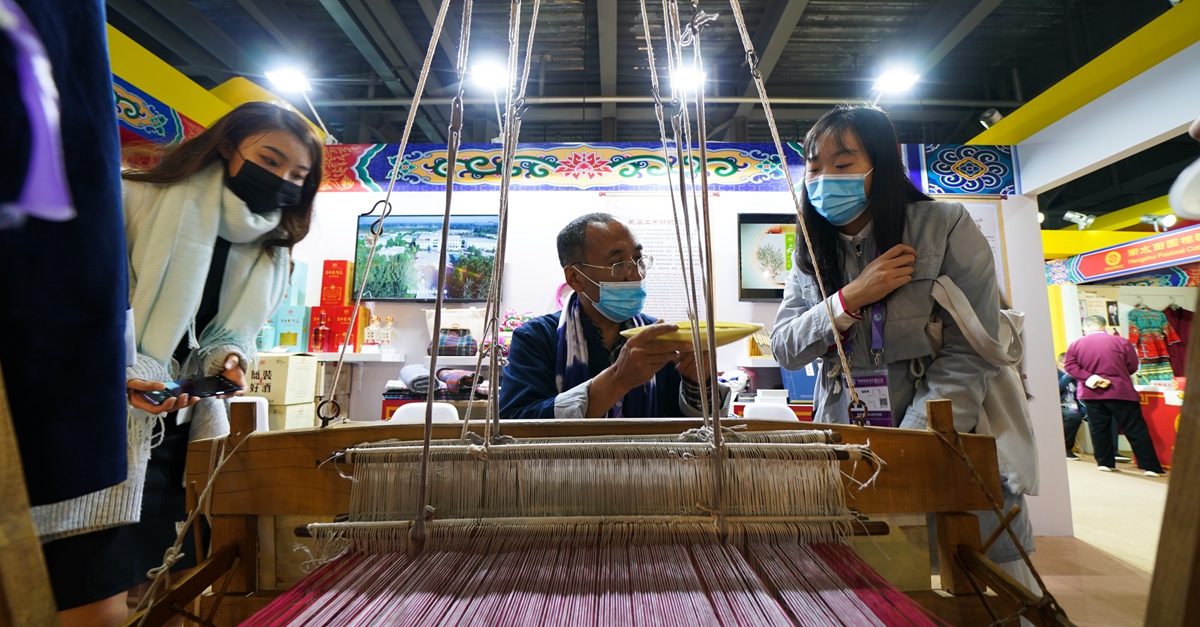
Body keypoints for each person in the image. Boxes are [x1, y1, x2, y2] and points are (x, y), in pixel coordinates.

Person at [39, 101, 323, 627]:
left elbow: (229, 335)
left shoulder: (268, 252)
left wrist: (231, 359)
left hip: (175, 432)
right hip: (98, 425)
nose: (282, 178)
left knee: (166, 586)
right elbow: (72, 306)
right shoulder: (133, 200)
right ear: (225, 145)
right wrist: (121, 376)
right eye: (270, 158)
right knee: (92, 594)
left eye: (297, 174)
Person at [769, 104, 1035, 584]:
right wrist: (849, 299)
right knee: (869, 587)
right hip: (846, 442)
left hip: (945, 437)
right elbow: (786, 347)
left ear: (881, 165)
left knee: (976, 583)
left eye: (843, 164)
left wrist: (910, 443)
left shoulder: (944, 224)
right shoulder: (811, 245)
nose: (825, 178)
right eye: (813, 168)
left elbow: (970, 351)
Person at [500, 213, 726, 418]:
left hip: (648, 463)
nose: (636, 275)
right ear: (575, 278)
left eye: (638, 261)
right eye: (618, 265)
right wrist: (618, 380)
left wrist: (697, 383)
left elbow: (686, 433)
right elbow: (517, 421)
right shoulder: (536, 338)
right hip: (570, 465)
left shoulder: (658, 338)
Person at [1064, 316, 1165, 476]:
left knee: (1098, 428)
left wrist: (1093, 379)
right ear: (1105, 326)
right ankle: (1151, 467)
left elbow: (1070, 366)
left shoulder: (1076, 344)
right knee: (1135, 429)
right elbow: (1132, 365)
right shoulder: (1121, 342)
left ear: (1085, 328)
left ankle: (1105, 462)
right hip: (1120, 390)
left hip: (1091, 393)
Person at [1057, 353, 1085, 460]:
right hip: (1060, 407)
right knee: (1073, 417)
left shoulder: (1077, 375)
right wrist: (1068, 376)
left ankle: (1110, 453)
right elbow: (1056, 390)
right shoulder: (1055, 373)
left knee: (1104, 415)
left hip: (1078, 407)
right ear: (1059, 363)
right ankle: (1065, 449)